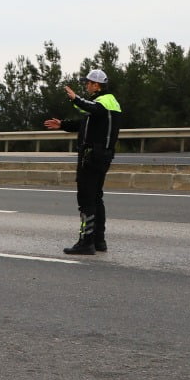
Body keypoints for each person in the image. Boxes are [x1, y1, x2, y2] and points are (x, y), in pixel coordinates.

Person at [44, 69, 123, 255]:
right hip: (102, 156)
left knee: (86, 199)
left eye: (88, 82)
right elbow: (85, 123)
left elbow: (92, 109)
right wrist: (62, 125)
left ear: (96, 85)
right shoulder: (108, 103)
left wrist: (75, 98)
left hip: (92, 157)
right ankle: (98, 241)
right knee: (96, 198)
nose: (86, 85)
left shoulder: (102, 102)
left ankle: (86, 242)